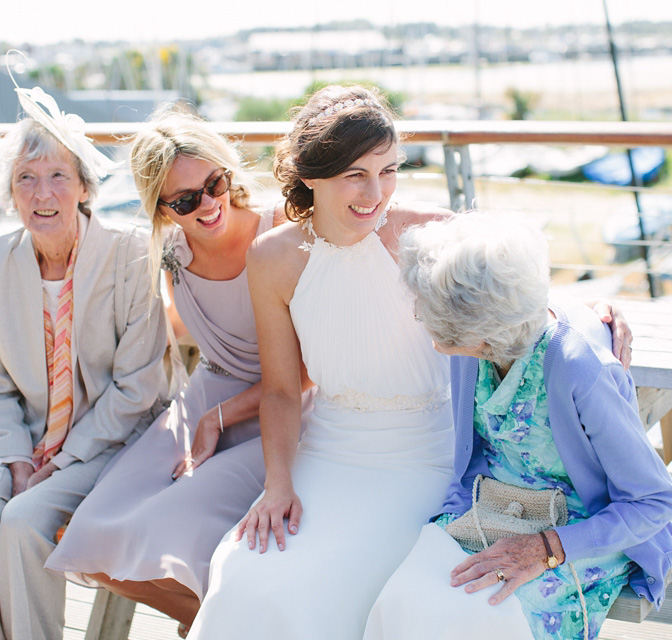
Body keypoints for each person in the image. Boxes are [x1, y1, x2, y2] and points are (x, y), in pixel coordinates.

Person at [187, 85, 634, 640]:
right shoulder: (271, 258)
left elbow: (512, 295)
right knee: (249, 581)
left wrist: (591, 310)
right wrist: (278, 483)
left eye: (389, 170)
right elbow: (281, 390)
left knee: (341, 584)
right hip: (329, 450)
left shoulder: (430, 232)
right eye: (355, 174)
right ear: (310, 175)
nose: (375, 193)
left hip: (431, 453)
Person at [44, 107, 314, 632]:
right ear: (163, 209)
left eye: (214, 183)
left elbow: (307, 372)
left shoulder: (281, 230)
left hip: (283, 407)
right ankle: (210, 623)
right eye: (186, 200)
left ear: (225, 169)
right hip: (205, 396)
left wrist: (218, 417)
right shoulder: (170, 252)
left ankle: (214, 623)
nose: (208, 204)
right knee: (86, 531)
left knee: (173, 525)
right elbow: (176, 324)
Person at [364, 212, 672, 640]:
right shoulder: (471, 349)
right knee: (403, 602)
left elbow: (654, 502)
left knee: (481, 624)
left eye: (426, 308)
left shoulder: (579, 370)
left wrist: (547, 548)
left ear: (481, 331)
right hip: (488, 509)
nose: (418, 316)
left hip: (577, 531)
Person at [0, 85, 169, 640]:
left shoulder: (131, 253)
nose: (42, 193)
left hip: (113, 441)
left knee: (23, 524)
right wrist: (18, 458)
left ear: (85, 187)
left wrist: (62, 459)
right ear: (9, 192)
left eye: (57, 176)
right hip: (23, 442)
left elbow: (137, 388)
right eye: (26, 177)